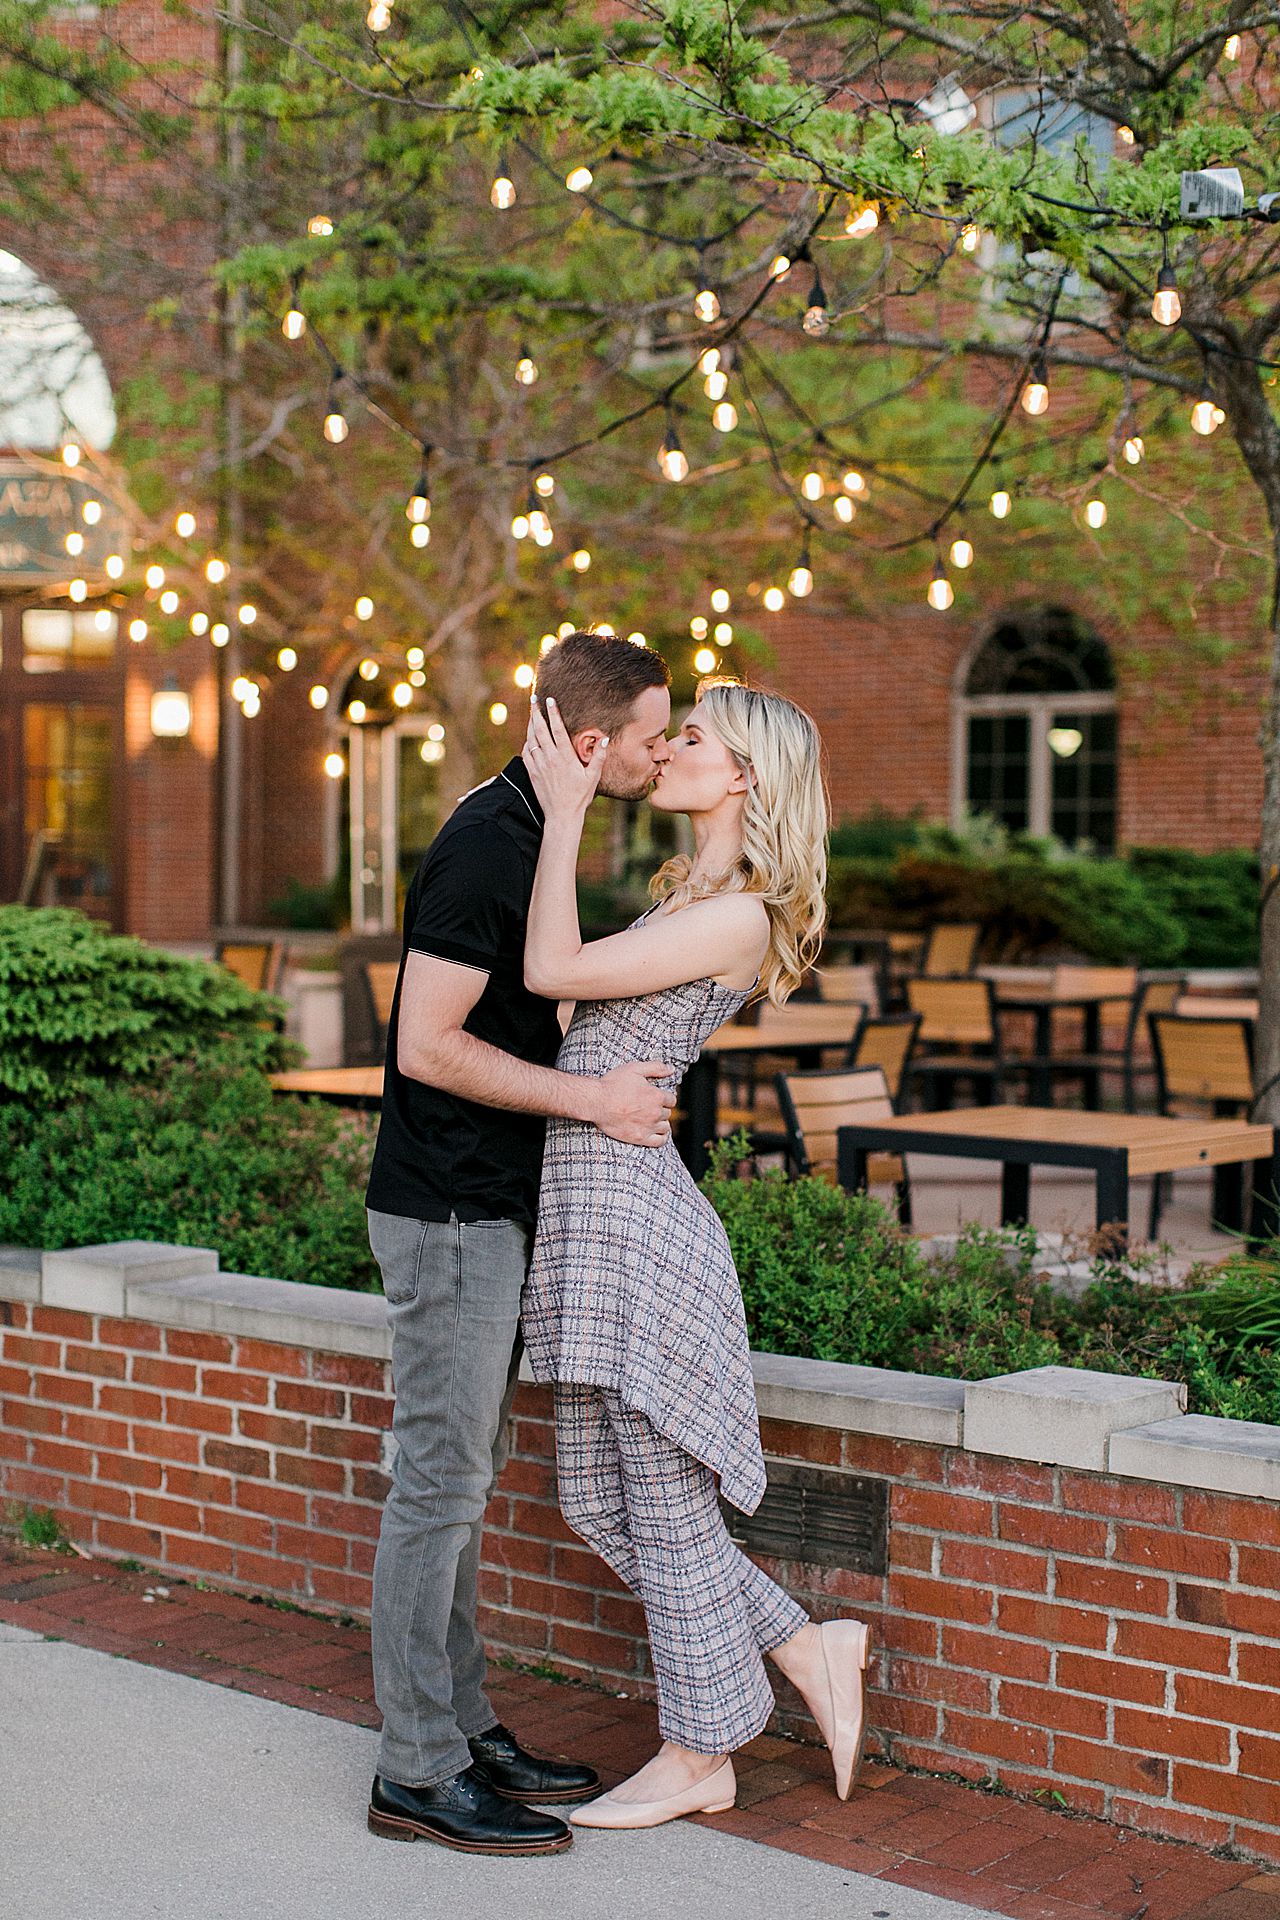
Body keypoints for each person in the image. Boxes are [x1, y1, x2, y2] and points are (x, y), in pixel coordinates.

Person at [519, 678, 872, 1832]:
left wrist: (563, 807)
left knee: (662, 1502)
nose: (664, 750)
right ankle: (800, 1643)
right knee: (592, 1498)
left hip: (637, 1221)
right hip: (592, 1203)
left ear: (745, 777)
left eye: (690, 738)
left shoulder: (740, 912)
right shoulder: (687, 894)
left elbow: (550, 978)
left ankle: (700, 1750)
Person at [363, 631, 678, 1856]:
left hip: (484, 1209)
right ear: (592, 745)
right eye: (653, 733)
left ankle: (463, 1726)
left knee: (462, 1481)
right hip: (446, 1211)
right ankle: (414, 1770)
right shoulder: (492, 842)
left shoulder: (535, 825)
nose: (662, 751)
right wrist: (595, 1101)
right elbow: (425, 1044)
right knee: (437, 1487)